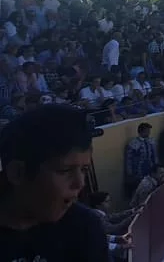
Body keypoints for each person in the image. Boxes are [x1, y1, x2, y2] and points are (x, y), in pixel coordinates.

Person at [0, 104, 110, 261]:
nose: (80, 184)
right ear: (17, 173)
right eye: (64, 171)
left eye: (84, 169)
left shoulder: (85, 227)